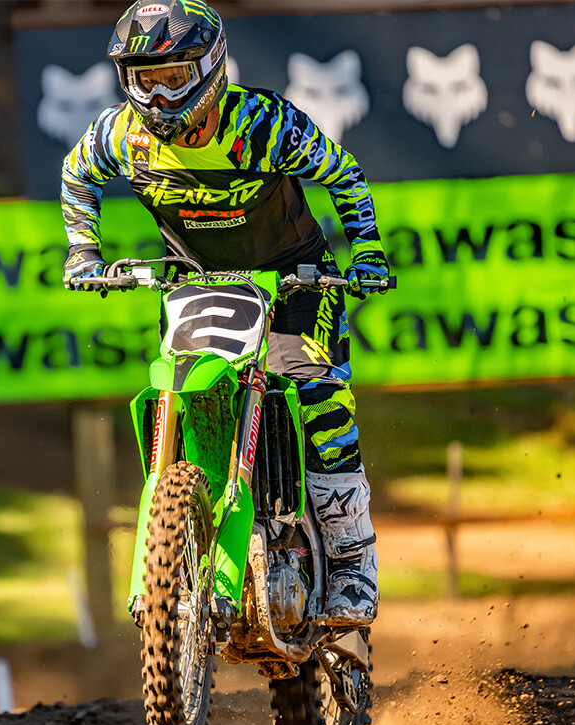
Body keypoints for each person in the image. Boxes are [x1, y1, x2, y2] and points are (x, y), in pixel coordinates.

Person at [60, 0, 389, 627]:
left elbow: (342, 174)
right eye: (142, 81)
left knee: (319, 398)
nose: (156, 99)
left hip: (296, 279)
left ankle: (351, 564)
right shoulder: (120, 136)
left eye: (172, 78)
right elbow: (78, 176)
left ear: (210, 70)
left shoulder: (263, 126)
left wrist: (365, 251)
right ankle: (178, 546)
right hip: (196, 280)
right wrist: (84, 250)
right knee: (177, 388)